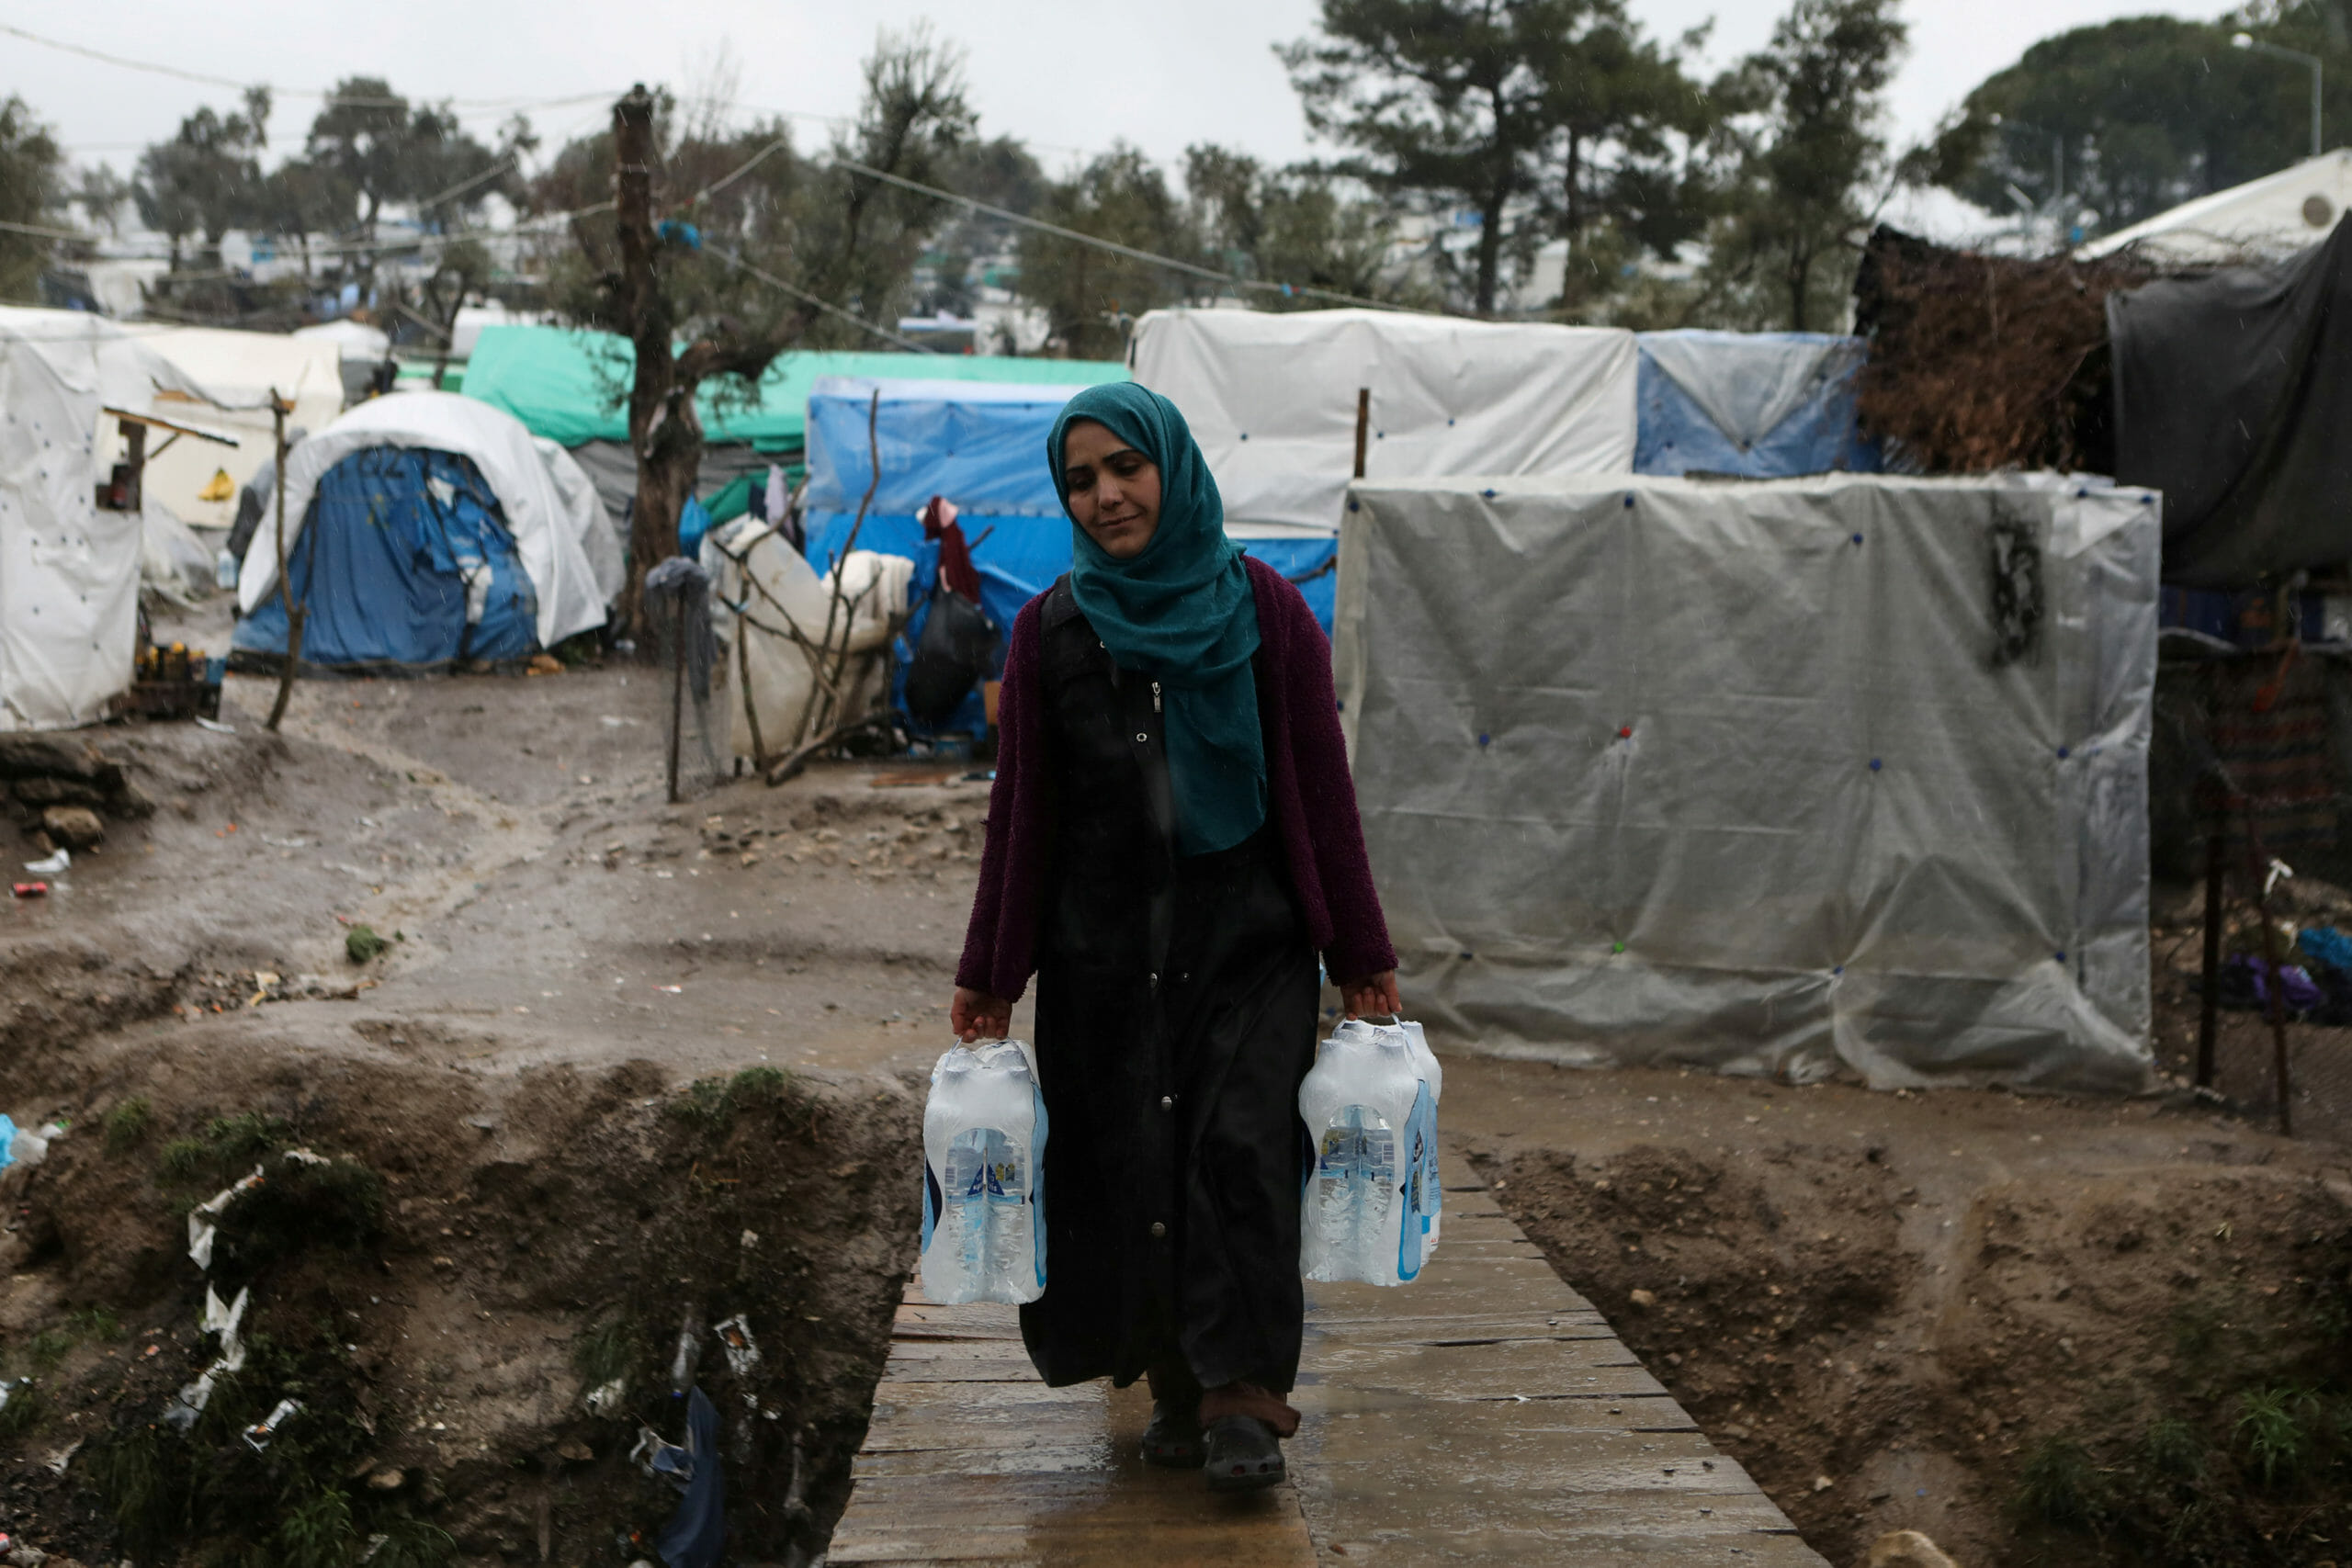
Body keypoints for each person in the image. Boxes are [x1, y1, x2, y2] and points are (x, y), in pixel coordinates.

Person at [951, 382, 1398, 1494]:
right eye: (1080, 481)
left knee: (1238, 1150)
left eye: (1123, 469)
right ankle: (1173, 1382)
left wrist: (1359, 954)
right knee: (1130, 1165)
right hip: (1105, 952)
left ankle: (1244, 1395)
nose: (1106, 496)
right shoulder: (1048, 630)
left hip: (1246, 940)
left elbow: (1318, 790)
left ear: (1172, 469)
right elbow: (1024, 817)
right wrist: (991, 974)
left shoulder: (1267, 613)